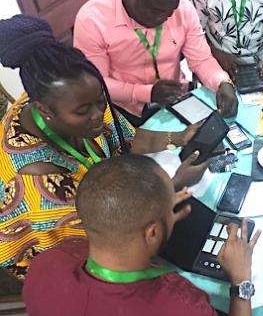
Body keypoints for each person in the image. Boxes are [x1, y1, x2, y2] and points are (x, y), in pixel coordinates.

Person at [0, 14, 209, 278]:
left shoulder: (74, 100)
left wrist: (178, 138)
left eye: (100, 101)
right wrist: (172, 187)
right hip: (72, 260)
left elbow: (128, 138)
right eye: (83, 110)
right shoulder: (39, 181)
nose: (98, 115)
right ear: (44, 109)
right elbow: (110, 241)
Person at [23, 154, 261, 316]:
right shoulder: (182, 304)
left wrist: (158, 202)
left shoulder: (46, 263)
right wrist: (241, 282)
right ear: (153, 232)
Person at [74, 0, 238, 127]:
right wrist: (147, 93)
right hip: (127, 111)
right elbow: (97, 85)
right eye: (154, 10)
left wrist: (222, 82)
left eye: (169, 13)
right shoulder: (92, 19)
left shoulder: (183, 9)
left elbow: (201, 60)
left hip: (178, 99)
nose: (161, 18)